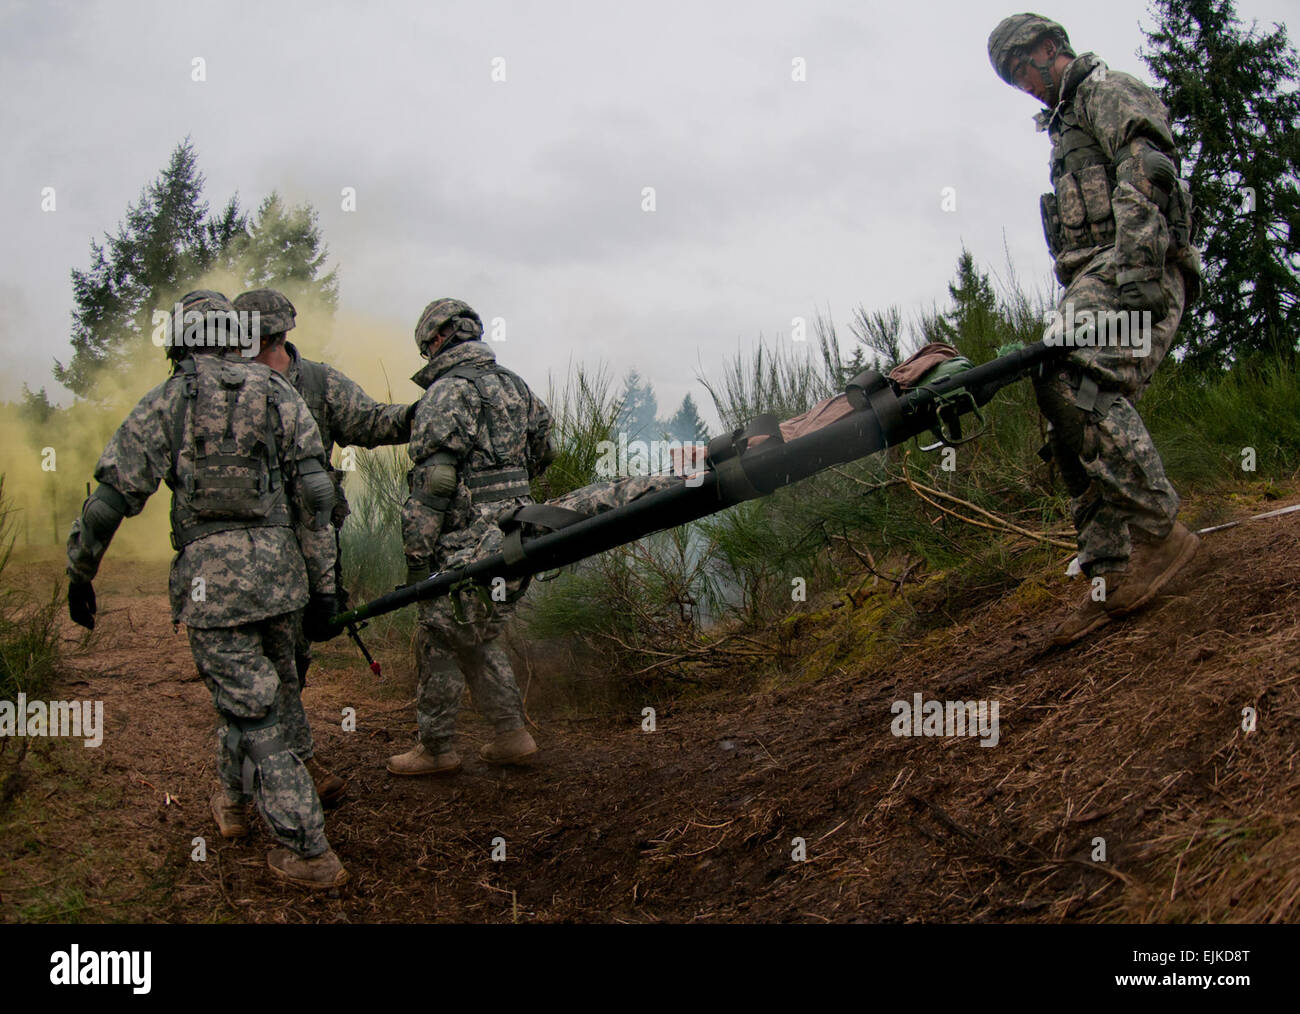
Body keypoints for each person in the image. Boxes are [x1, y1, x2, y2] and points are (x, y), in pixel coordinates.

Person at [65, 289, 348, 889]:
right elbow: (319, 498)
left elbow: (109, 503)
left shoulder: (169, 400)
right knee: (264, 700)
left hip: (211, 589)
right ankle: (235, 804)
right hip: (282, 580)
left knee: (257, 711)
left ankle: (309, 852)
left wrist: (81, 572)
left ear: (180, 340)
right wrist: (325, 591)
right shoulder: (280, 394)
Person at [987, 13, 1204, 645]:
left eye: (1021, 70)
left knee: (1079, 377)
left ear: (1048, 49)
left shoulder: (1107, 91)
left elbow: (1149, 174)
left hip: (1142, 268)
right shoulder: (1065, 128)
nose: (1022, 86)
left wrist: (1137, 279)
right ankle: (1110, 574)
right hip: (1100, 279)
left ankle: (1160, 536)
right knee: (1060, 398)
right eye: (1010, 81)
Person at [234, 288, 414, 804]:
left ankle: (264, 771)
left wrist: (427, 412)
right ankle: (276, 773)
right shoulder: (227, 389)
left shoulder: (317, 383)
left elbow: (374, 421)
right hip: (245, 555)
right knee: (254, 666)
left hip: (307, 552)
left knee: (293, 659)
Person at [387, 298, 554, 775]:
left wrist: (418, 559)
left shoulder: (447, 392)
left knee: (439, 635)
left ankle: (436, 749)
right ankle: (511, 734)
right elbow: (546, 450)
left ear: (436, 340)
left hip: (463, 541)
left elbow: (434, 485)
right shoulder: (517, 387)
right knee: (479, 633)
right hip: (518, 534)